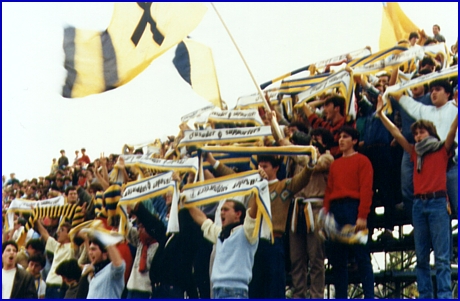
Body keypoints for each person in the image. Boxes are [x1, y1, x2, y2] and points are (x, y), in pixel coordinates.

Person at [377, 94, 457, 299]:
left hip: (438, 203)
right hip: (419, 206)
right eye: (416, 133)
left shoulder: (442, 149)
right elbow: (396, 132)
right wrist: (381, 115)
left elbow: (451, 131)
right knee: (421, 258)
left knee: (441, 257)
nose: (418, 136)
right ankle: (425, 295)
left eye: (422, 132)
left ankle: (445, 296)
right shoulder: (414, 152)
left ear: (431, 133)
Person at [322, 126, 375, 299]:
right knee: (338, 260)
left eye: (346, 137)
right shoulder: (335, 164)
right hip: (336, 210)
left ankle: (369, 295)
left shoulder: (363, 161)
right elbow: (329, 191)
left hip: (354, 208)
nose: (341, 140)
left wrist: (362, 215)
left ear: (354, 141)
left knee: (361, 257)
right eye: (340, 137)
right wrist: (325, 214)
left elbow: (366, 189)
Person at [188, 198, 259, 299]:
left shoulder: (246, 233)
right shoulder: (220, 234)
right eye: (221, 210)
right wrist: (187, 202)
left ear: (238, 214)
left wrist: (256, 192)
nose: (222, 212)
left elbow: (252, 216)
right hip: (216, 291)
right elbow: (203, 220)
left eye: (226, 209)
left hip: (235, 292)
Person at [33, 220, 75, 298]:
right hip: (49, 284)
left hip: (59, 285)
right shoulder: (57, 246)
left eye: (62, 230)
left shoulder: (72, 247)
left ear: (69, 234)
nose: (58, 233)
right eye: (58, 230)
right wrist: (36, 221)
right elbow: (45, 234)